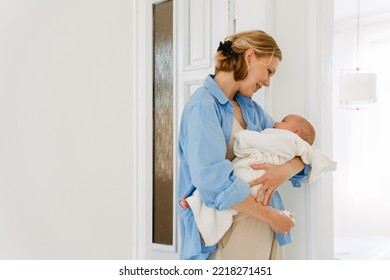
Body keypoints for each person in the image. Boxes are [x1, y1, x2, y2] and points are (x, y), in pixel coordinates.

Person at [178, 30, 310, 260]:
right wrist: (271, 216)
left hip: (266, 218)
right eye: (269, 71)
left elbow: (298, 148)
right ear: (250, 56)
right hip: (230, 225)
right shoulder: (203, 107)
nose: (268, 82)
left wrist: (285, 171)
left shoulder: (251, 109)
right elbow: (214, 184)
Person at [180, 114, 337, 249]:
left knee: (227, 198)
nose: (276, 122)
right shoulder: (204, 108)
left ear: (296, 132)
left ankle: (198, 208)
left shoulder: (288, 139)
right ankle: (198, 203)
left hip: (256, 178)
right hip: (252, 195)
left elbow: (260, 142)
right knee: (224, 193)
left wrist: (285, 170)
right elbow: (310, 157)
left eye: (283, 121)